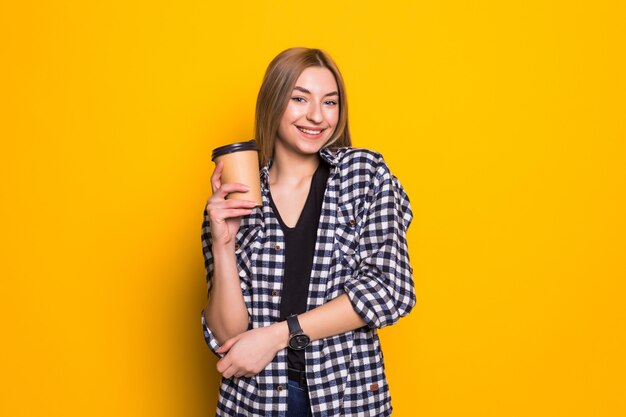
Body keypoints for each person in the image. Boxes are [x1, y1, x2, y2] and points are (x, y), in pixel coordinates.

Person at [201, 47, 415, 417]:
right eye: (299, 98)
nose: (317, 116)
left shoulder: (363, 175)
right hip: (255, 401)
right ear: (273, 103)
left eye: (329, 102)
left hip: (346, 396)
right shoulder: (240, 196)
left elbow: (389, 290)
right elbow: (227, 336)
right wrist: (223, 244)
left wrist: (276, 336)